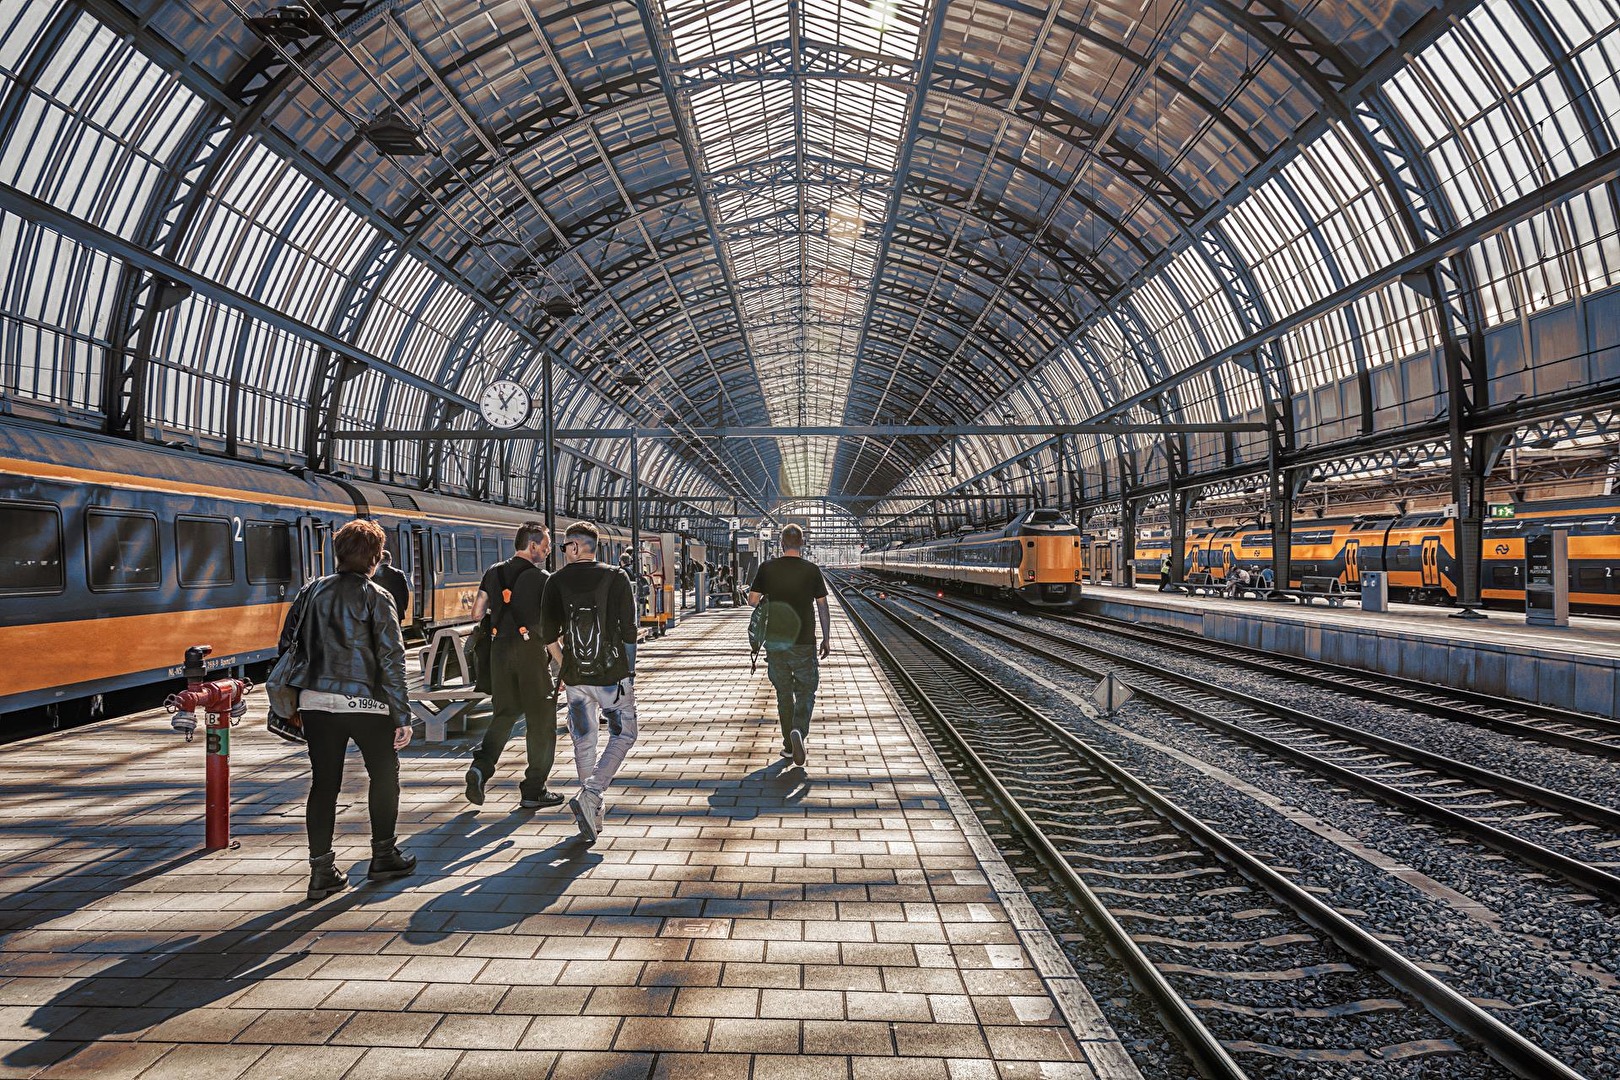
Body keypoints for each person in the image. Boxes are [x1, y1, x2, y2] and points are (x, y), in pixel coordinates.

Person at [276, 518, 415, 901]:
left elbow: (287, 643)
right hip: (368, 704)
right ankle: (384, 855)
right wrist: (402, 715)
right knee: (384, 775)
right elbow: (391, 659)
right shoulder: (377, 595)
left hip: (317, 702)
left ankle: (322, 872)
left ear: (337, 554)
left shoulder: (311, 591)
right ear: (374, 558)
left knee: (324, 784)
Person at [541, 522, 639, 843]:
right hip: (612, 676)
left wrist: (565, 665)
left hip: (575, 678)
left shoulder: (555, 582)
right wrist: (629, 672)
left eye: (563, 547)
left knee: (584, 742)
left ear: (574, 547)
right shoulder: (617, 577)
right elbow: (629, 632)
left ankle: (593, 816)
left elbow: (548, 637)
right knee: (624, 733)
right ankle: (593, 794)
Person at [464, 522, 562, 810]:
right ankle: (534, 788)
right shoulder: (543, 580)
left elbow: (476, 612)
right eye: (545, 545)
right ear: (532, 545)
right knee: (541, 722)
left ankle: (481, 767)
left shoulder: (493, 572)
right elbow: (550, 631)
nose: (547, 550)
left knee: (504, 714)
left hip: (499, 654)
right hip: (530, 655)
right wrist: (564, 666)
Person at [749, 524, 830, 769]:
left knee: (784, 694)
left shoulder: (767, 568)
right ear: (802, 543)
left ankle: (788, 745)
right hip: (804, 640)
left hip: (776, 641)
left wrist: (766, 597)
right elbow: (823, 607)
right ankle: (799, 730)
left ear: (781, 543)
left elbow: (752, 601)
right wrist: (826, 638)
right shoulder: (812, 570)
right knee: (806, 690)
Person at [373, 549, 410, 622]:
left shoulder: (373, 575)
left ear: (378, 561)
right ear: (390, 560)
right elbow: (405, 594)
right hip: (396, 612)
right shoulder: (399, 574)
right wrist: (402, 609)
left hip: (379, 613)